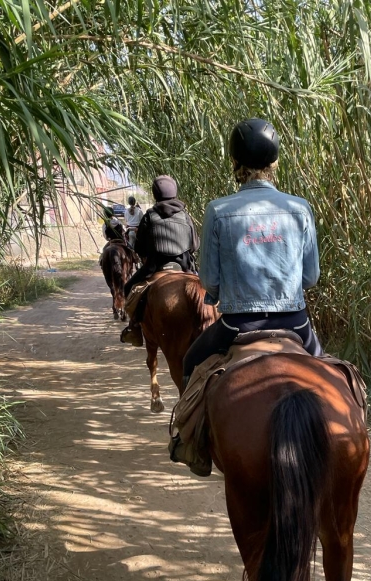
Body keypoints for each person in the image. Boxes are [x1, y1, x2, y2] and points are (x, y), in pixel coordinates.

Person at [182, 117, 323, 388]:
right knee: (335, 377)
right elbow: (310, 277)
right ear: (275, 163)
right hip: (295, 323)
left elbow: (209, 280)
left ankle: (181, 432)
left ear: (235, 162)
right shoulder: (300, 207)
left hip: (238, 325)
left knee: (190, 362)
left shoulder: (218, 210)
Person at [121, 175, 200, 346]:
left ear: (155, 193)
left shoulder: (149, 215)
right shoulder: (185, 215)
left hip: (155, 267)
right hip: (185, 266)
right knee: (206, 291)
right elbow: (194, 245)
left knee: (128, 288)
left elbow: (140, 248)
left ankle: (134, 328)